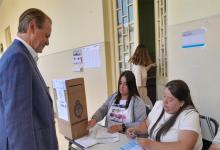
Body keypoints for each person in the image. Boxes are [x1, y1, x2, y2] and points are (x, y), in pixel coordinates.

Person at [0, 8, 58, 150]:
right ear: (32, 27)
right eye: (46, 35)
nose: (48, 42)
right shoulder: (17, 58)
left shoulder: (22, 55)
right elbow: (18, 124)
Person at [127, 80, 203, 150]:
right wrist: (136, 130)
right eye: (164, 96)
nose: (165, 101)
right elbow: (147, 125)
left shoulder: (190, 115)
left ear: (182, 102)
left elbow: (184, 147)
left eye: (170, 99)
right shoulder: (159, 105)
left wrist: (150, 144)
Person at [129, 44, 156, 108]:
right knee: (148, 109)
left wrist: (151, 65)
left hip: (143, 92)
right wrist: (140, 100)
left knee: (149, 108)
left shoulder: (141, 66)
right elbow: (138, 85)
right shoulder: (138, 68)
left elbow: (144, 71)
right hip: (141, 93)